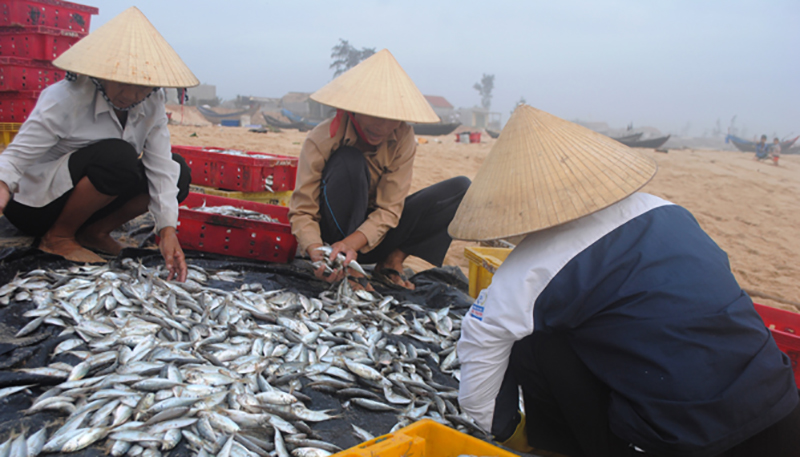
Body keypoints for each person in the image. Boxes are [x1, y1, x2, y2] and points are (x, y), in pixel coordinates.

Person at [450, 105, 799, 457]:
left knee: (534, 337)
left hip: (684, 443)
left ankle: (556, 447)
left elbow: (478, 391)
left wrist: (512, 433)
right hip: (782, 412)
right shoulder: (667, 211)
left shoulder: (527, 271)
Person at [0, 7, 197, 281]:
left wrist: (167, 231)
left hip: (89, 204)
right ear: (102, 72)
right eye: (122, 83)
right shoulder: (66, 98)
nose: (131, 94)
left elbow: (161, 167)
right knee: (118, 156)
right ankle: (57, 237)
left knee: (178, 171)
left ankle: (93, 233)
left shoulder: (152, 102)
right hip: (36, 205)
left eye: (142, 87)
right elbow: (14, 158)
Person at [288, 49, 470, 290]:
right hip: (333, 241)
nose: (383, 127)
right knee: (350, 162)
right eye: (374, 116)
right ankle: (344, 267)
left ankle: (392, 261)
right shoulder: (322, 138)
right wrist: (316, 251)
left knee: (460, 189)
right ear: (354, 109)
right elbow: (302, 211)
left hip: (372, 240)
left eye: (391, 118)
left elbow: (390, 209)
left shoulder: (403, 136)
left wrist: (355, 243)